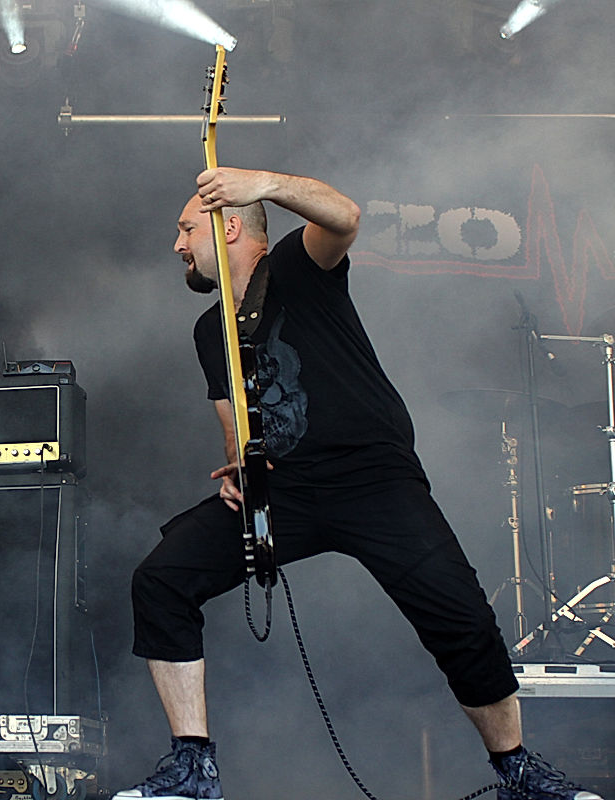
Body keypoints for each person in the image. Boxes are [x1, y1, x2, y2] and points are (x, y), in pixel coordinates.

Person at [116, 168, 602, 800]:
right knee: (161, 578)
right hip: (287, 489)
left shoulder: (294, 267)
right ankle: (192, 769)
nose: (178, 245)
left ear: (227, 224)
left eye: (185, 230)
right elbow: (234, 422)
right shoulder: (211, 331)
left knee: (462, 617)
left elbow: (344, 215)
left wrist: (256, 182)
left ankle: (518, 772)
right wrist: (240, 467)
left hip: (374, 479)